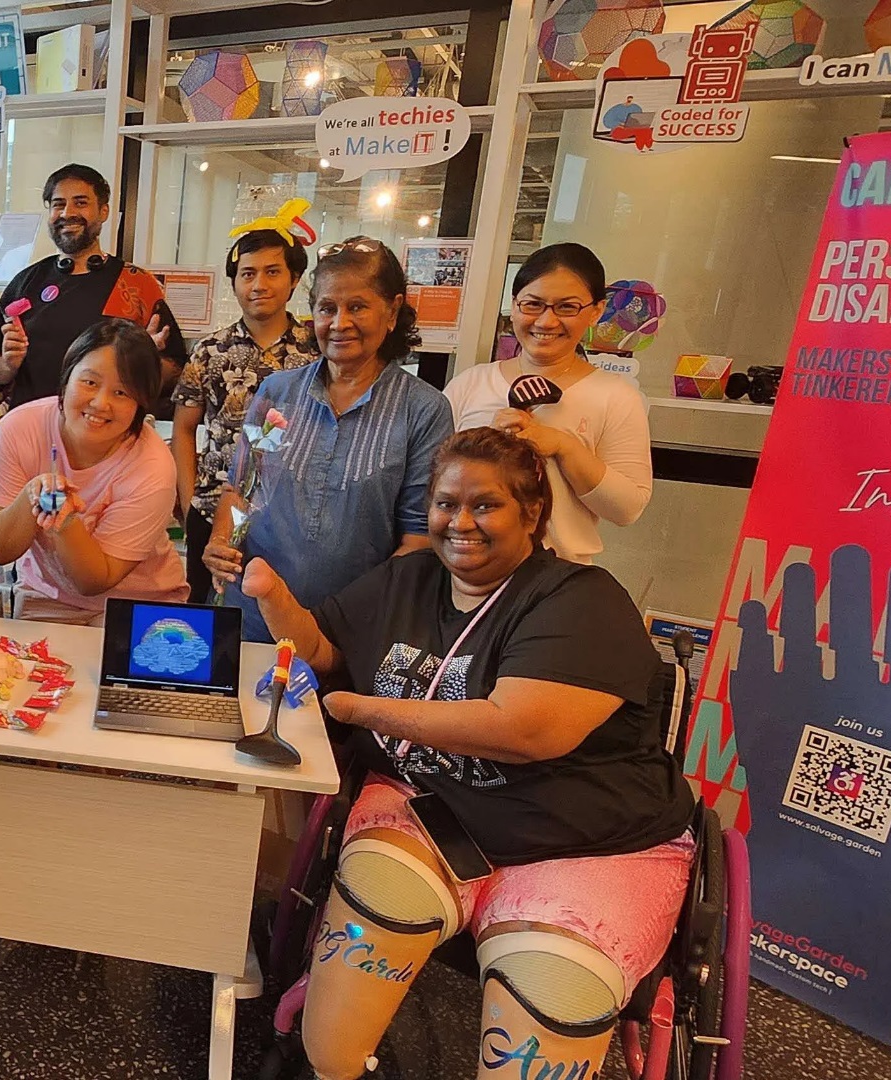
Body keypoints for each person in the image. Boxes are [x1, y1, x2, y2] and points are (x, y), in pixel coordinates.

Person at [240, 427, 695, 1080]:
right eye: (445, 503)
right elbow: (324, 648)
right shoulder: (411, 576)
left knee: (546, 1006)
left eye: (485, 505)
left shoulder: (581, 599)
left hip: (586, 841)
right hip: (432, 807)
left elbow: (524, 731)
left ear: (532, 513)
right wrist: (274, 599)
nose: (459, 522)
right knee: (334, 1038)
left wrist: (358, 709)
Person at [204, 236, 453, 643]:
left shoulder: (422, 410)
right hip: (252, 614)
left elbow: (419, 540)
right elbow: (242, 491)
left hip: (351, 629)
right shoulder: (278, 394)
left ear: (392, 311)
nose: (339, 323)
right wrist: (221, 542)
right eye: (327, 308)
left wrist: (356, 616)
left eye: (357, 307)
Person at [441, 242, 652, 564]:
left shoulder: (616, 397)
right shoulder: (469, 385)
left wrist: (565, 447)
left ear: (596, 311)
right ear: (514, 305)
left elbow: (627, 509)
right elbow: (432, 486)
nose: (546, 321)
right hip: (464, 569)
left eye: (567, 307)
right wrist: (484, 445)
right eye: (532, 304)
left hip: (560, 576)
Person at [0, 319, 186, 624]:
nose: (100, 403)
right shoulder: (20, 428)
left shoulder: (153, 466)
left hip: (141, 604)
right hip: (46, 597)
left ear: (141, 403)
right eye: (89, 382)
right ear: (66, 379)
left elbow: (93, 582)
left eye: (122, 392)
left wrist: (65, 520)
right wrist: (31, 496)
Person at [172, 225, 317, 603]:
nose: (258, 285)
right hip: (211, 512)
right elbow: (184, 429)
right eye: (247, 274)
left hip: (289, 517)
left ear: (294, 279)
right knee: (209, 612)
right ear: (234, 282)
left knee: (280, 610)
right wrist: (188, 504)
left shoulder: (316, 351)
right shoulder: (209, 350)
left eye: (272, 272)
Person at [0, 164, 188, 412]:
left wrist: (145, 360)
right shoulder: (26, 282)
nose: (67, 213)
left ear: (104, 211)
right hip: (31, 425)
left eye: (80, 203)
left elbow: (175, 371)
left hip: (105, 423)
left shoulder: (137, 284)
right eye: (58, 204)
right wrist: (8, 365)